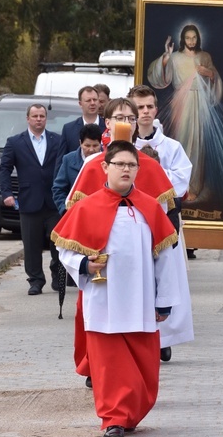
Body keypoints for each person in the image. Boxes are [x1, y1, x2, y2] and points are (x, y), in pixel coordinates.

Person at [54, 140, 180, 437]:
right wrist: (84, 264)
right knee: (109, 365)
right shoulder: (86, 206)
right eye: (120, 164)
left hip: (140, 300)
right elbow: (64, 249)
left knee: (143, 367)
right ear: (105, 167)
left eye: (131, 165)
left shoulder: (150, 207)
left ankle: (130, 413)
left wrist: (165, 300)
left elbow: (165, 258)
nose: (126, 169)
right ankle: (112, 419)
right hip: (104, 299)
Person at [66, 98, 178, 387]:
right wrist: (84, 263)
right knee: (101, 333)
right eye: (119, 118)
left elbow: (161, 241)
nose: (125, 123)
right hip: (101, 280)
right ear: (108, 122)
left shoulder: (149, 167)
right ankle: (99, 376)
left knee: (135, 346)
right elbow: (71, 230)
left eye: (130, 118)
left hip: (138, 282)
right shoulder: (93, 165)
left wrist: (163, 297)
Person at [128, 84, 194, 362]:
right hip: (130, 221)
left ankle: (162, 336)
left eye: (149, 107)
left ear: (156, 109)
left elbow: (181, 181)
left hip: (163, 221)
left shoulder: (171, 147)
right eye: (139, 108)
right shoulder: (123, 147)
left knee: (164, 278)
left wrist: (152, 173)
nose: (145, 112)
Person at [147, 24, 223, 206]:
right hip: (182, 103)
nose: (191, 41)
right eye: (188, 38)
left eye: (194, 38)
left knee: (198, 146)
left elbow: (215, 79)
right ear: (183, 39)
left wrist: (209, 73)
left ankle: (194, 187)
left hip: (200, 104)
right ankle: (180, 187)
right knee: (182, 141)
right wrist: (166, 57)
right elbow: (160, 77)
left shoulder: (204, 57)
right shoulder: (176, 57)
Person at [0, 104, 63, 296]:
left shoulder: (57, 140)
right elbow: (5, 168)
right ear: (27, 118)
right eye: (34, 116)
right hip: (29, 200)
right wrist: (7, 193)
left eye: (42, 116)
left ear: (46, 118)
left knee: (59, 243)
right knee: (31, 243)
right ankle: (35, 280)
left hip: (54, 200)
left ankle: (58, 277)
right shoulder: (15, 142)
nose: (38, 119)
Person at [52, 124, 103, 216]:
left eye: (95, 145)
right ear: (80, 143)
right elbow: (58, 188)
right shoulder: (68, 160)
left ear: (100, 143)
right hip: (75, 214)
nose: (91, 150)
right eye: (87, 145)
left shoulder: (108, 160)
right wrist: (64, 210)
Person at [57, 86, 107, 173]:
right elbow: (60, 163)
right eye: (88, 100)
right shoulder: (69, 129)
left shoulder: (108, 127)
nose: (92, 103)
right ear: (80, 104)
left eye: (95, 100)